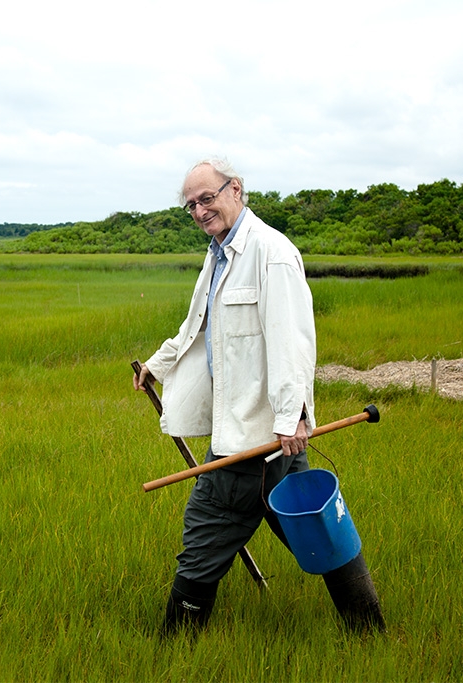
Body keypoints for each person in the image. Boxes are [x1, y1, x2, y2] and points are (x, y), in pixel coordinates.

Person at [133, 157, 317, 635]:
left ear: (235, 189)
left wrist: (292, 415)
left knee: (204, 534)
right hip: (250, 434)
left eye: (206, 198)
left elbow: (290, 340)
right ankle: (368, 628)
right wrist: (161, 363)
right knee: (316, 534)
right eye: (190, 205)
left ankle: (174, 646)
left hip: (256, 441)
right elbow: (199, 327)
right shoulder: (219, 254)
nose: (198, 210)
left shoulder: (270, 252)